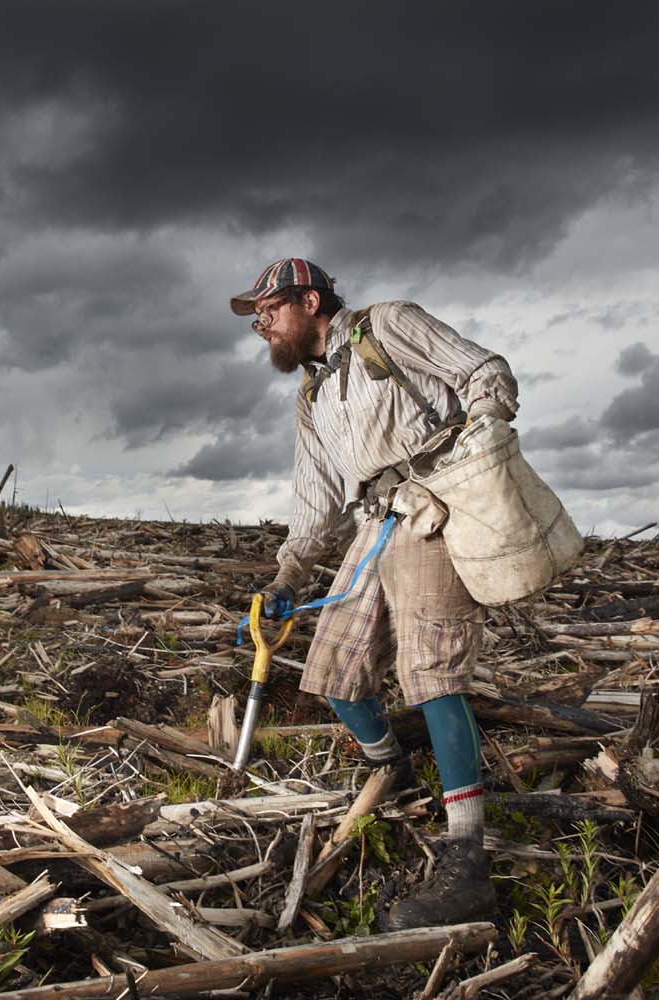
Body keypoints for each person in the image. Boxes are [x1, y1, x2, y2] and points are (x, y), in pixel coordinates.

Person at [230, 257, 519, 928]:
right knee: (334, 673)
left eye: (268, 311)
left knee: (433, 676)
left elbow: (482, 371)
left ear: (308, 299)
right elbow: (314, 507)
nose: (262, 324)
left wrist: (482, 437)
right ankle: (397, 771)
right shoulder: (311, 398)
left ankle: (467, 856)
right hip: (373, 524)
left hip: (435, 505)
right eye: (256, 321)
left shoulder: (387, 326)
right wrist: (287, 577)